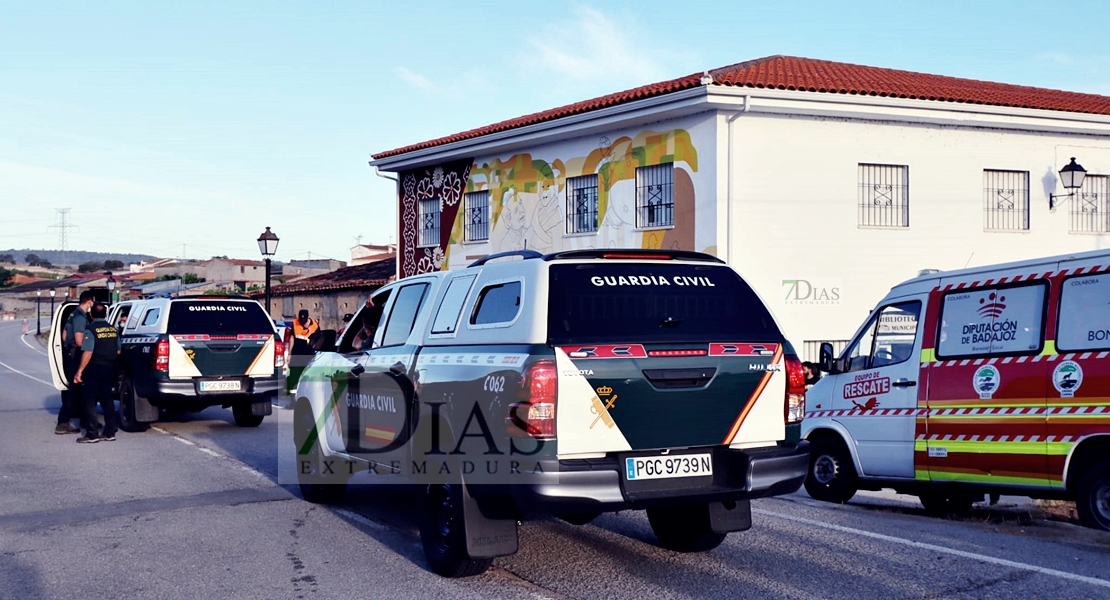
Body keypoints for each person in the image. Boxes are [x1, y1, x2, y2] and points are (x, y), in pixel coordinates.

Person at [73, 303, 120, 443]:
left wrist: (79, 372)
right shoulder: (113, 330)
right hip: (110, 368)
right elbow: (118, 350)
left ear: (91, 315)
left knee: (89, 401)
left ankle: (92, 433)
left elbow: (88, 351)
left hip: (94, 369)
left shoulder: (91, 330)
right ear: (106, 314)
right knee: (107, 400)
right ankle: (110, 431)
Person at [56, 291, 96, 435]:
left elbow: (64, 335)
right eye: (93, 301)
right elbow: (79, 341)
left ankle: (86, 419)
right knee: (75, 390)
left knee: (80, 390)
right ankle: (63, 422)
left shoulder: (73, 314)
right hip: (76, 355)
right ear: (90, 301)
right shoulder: (80, 317)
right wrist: (92, 343)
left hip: (69, 353)